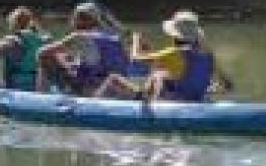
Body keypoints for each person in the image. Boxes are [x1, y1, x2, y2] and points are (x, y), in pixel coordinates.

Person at [95, 10, 233, 103]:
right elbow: (228, 85)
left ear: (174, 35)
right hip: (196, 99)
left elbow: (135, 60)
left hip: (173, 101)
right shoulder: (208, 55)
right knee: (160, 73)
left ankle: (91, 107)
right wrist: (208, 88)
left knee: (114, 78)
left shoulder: (172, 52)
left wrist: (136, 40)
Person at [36, 3, 130, 96]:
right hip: (113, 87)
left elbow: (41, 53)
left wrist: (66, 65)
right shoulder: (115, 39)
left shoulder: (78, 37)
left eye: (74, 18)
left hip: (91, 90)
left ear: (81, 20)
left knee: (45, 57)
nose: (72, 22)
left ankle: (41, 96)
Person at [0, 6, 51, 91]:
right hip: (39, 83)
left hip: (17, 85)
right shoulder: (43, 39)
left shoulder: (12, 40)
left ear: (13, 23)